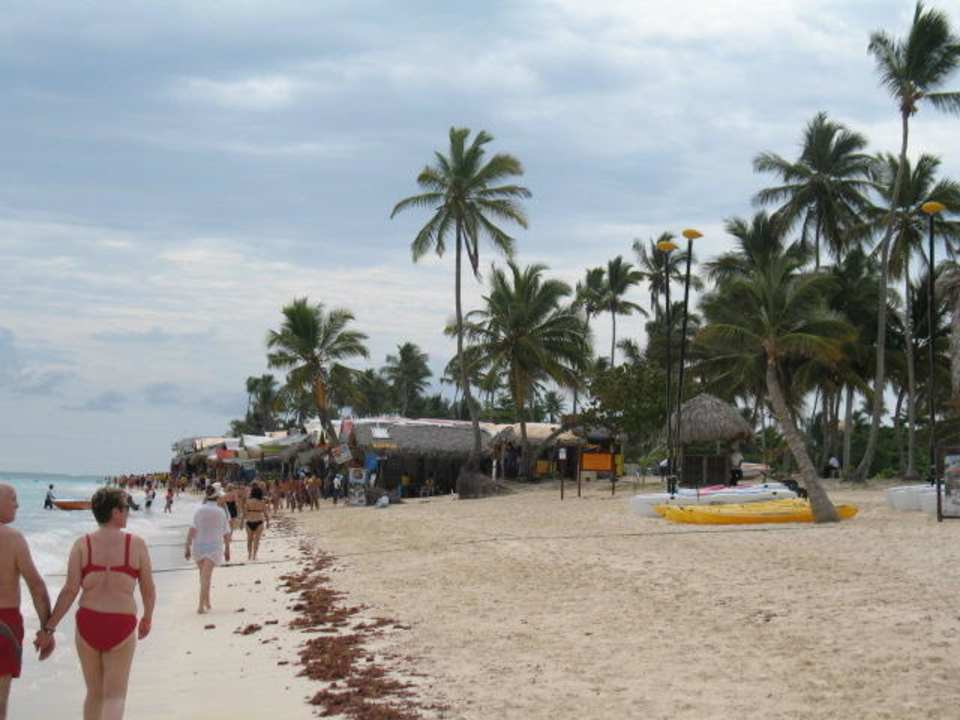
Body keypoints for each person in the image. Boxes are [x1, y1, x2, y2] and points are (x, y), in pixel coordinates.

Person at [45, 487, 155, 720]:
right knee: (115, 695)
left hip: (88, 623)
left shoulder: (82, 544)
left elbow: (69, 590)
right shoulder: (136, 544)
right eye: (125, 507)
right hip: (121, 623)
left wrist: (49, 627)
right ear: (115, 512)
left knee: (94, 694)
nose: (128, 511)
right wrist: (147, 617)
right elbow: (148, 588)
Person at [0, 484, 55, 720]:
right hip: (4, 625)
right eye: (13, 498)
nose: (18, 504)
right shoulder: (12, 539)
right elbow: (37, 587)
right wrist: (47, 630)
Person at [185, 486, 231, 614]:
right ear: (217, 497)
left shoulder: (198, 510)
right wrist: (227, 549)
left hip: (198, 546)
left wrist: (187, 546)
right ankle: (200, 606)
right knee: (206, 577)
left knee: (203, 576)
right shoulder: (221, 512)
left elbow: (192, 529)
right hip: (214, 547)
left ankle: (207, 602)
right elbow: (226, 532)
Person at [244, 484, 269, 561]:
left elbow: (245, 513)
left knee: (249, 539)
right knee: (256, 540)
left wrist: (241, 522)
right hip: (259, 521)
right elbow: (265, 513)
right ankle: (254, 555)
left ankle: (249, 555)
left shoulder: (248, 501)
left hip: (249, 521)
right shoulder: (262, 502)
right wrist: (268, 522)